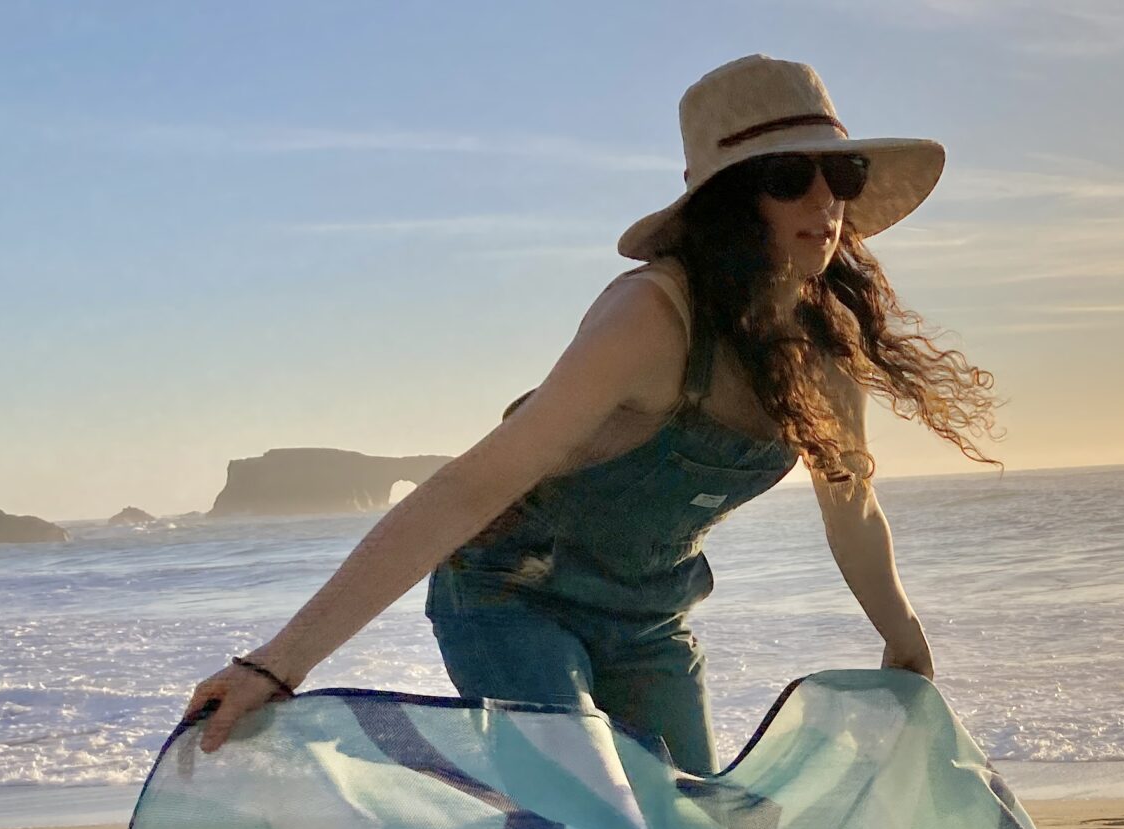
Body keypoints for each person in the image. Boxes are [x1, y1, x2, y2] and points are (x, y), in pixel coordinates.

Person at [182, 54, 1001, 770]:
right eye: (789, 177)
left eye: (842, 175)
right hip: (510, 595)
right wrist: (279, 664)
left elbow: (851, 504)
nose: (824, 201)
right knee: (593, 819)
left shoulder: (824, 345)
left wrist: (903, 634)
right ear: (727, 202)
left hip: (649, 617)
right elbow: (469, 489)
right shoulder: (651, 317)